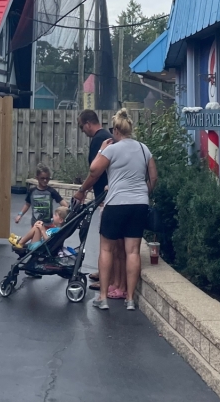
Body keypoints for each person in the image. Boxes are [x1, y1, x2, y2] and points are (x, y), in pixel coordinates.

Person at [74, 109, 158, 312]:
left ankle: (103, 298)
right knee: (132, 252)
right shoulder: (144, 149)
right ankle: (130, 299)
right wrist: (143, 192)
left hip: (116, 204)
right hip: (139, 205)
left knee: (106, 249)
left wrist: (101, 150)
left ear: (116, 131)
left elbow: (94, 170)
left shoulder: (112, 149)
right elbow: (153, 177)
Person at [78, 109, 117, 293]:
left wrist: (82, 190)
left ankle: (106, 279)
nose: (82, 131)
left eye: (81, 127)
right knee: (107, 240)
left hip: (107, 197)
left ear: (88, 124)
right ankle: (103, 273)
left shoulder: (99, 140)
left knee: (107, 241)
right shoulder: (107, 137)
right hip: (109, 195)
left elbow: (95, 172)